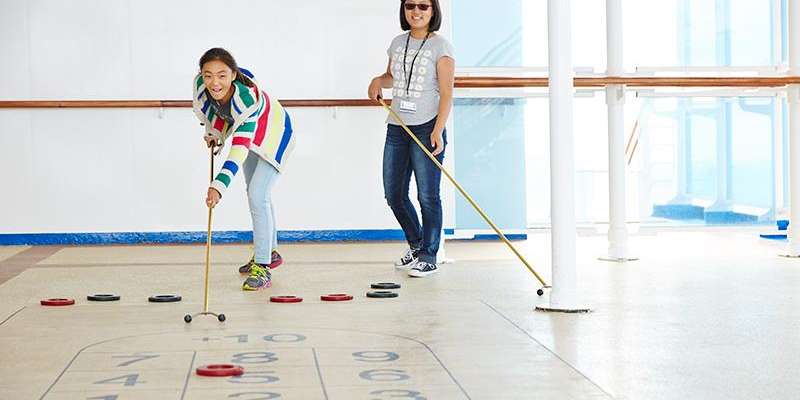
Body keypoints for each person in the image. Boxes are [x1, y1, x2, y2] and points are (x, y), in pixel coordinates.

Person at [193, 48, 294, 290]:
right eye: (208, 75)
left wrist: (218, 186)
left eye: (221, 75)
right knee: (257, 194)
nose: (214, 82)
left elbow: (237, 152)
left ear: (233, 75)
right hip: (248, 133)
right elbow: (211, 114)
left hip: (273, 133)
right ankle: (270, 252)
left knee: (257, 195)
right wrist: (213, 133)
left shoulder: (247, 101)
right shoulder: (200, 87)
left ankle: (263, 266)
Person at [367, 0, 455, 277]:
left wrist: (438, 130)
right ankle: (417, 245)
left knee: (428, 195)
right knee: (393, 194)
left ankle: (430, 254)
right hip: (397, 125)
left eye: (423, 6)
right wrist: (377, 81)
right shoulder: (397, 42)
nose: (416, 11)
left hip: (427, 127)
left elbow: (447, 93)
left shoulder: (441, 47)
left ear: (433, 11)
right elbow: (392, 77)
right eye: (410, 6)